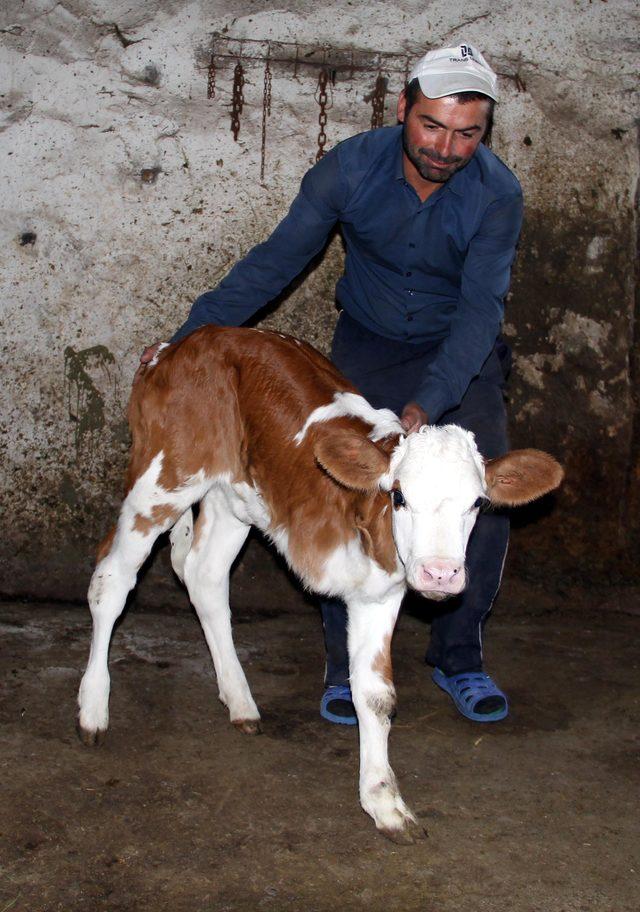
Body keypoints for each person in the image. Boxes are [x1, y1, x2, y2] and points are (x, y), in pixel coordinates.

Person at [142, 43, 523, 725]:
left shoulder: (498, 195)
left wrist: (426, 406)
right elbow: (275, 263)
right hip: (368, 346)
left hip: (458, 356)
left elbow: (479, 311)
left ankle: (457, 656)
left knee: (481, 491)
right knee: (337, 488)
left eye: (467, 133)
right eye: (432, 125)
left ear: (483, 130)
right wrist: (186, 341)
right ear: (403, 108)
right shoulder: (348, 168)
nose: (447, 146)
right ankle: (345, 665)